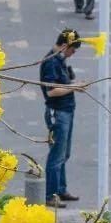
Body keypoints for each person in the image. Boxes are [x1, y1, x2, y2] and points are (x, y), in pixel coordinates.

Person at [39, 29, 84, 207]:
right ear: (64, 46)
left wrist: (74, 85)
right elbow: (51, 91)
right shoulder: (51, 62)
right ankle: (51, 194)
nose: (73, 54)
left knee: (64, 153)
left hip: (66, 110)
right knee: (56, 155)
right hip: (58, 112)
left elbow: (62, 84)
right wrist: (74, 88)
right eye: (72, 50)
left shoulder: (60, 60)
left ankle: (61, 189)